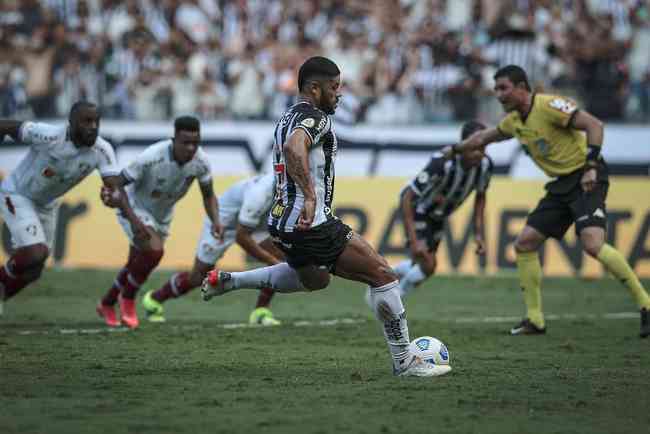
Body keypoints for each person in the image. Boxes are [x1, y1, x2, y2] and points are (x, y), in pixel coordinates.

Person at [201, 56, 450, 377]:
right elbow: (294, 148)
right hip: (311, 222)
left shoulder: (286, 116)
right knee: (384, 276)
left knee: (315, 279)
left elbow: (290, 145)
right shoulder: (316, 118)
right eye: (334, 88)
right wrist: (309, 195)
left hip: (281, 222)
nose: (338, 95)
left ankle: (230, 281)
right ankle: (405, 361)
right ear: (315, 89)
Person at [448, 65, 650, 338]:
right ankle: (535, 319)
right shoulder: (513, 122)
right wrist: (454, 150)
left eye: (503, 88)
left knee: (592, 244)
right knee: (525, 243)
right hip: (560, 186)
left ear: (522, 87)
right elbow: (484, 137)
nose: (498, 94)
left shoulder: (549, 106)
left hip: (584, 176)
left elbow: (594, 125)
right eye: (495, 89)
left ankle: (645, 304)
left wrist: (591, 165)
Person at [0, 101, 147, 315]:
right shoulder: (48, 135)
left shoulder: (102, 150)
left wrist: (134, 220)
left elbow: (115, 188)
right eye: (87, 121)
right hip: (17, 194)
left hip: (47, 204)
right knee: (35, 253)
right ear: (71, 123)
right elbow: (9, 126)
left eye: (96, 121)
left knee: (34, 271)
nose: (93, 127)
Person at [97, 116, 223, 329]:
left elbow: (208, 195)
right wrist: (130, 216)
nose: (191, 147)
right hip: (134, 207)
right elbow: (118, 182)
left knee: (136, 262)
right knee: (154, 251)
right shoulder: (151, 156)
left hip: (162, 216)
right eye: (185, 142)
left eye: (196, 142)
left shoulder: (201, 162)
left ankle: (107, 303)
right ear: (173, 139)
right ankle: (127, 299)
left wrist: (216, 220)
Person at [142, 172, 284, 326]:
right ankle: (155, 299)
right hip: (222, 223)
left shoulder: (290, 185)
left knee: (281, 251)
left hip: (251, 223)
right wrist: (272, 261)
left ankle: (260, 311)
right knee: (198, 277)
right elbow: (241, 237)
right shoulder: (260, 194)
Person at [392, 121, 492, 299]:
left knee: (424, 266)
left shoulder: (485, 166)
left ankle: (387, 274)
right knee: (428, 263)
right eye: (474, 148)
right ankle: (394, 299)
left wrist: (478, 233)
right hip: (417, 209)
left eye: (483, 148)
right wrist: (413, 240)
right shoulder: (442, 163)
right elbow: (408, 196)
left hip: (438, 216)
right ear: (463, 145)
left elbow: (481, 196)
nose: (479, 153)